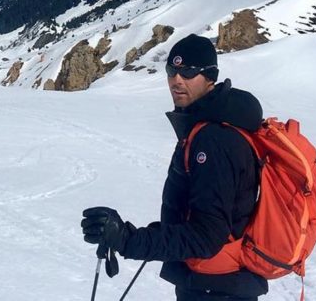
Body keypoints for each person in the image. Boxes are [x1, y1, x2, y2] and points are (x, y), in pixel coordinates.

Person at [81, 34, 267, 301]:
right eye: (172, 70)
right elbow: (195, 220)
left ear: (210, 77)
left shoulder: (213, 141)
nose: (177, 80)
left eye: (189, 71)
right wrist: (127, 234)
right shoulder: (208, 127)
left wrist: (127, 240)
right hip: (216, 285)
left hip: (216, 290)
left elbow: (205, 237)